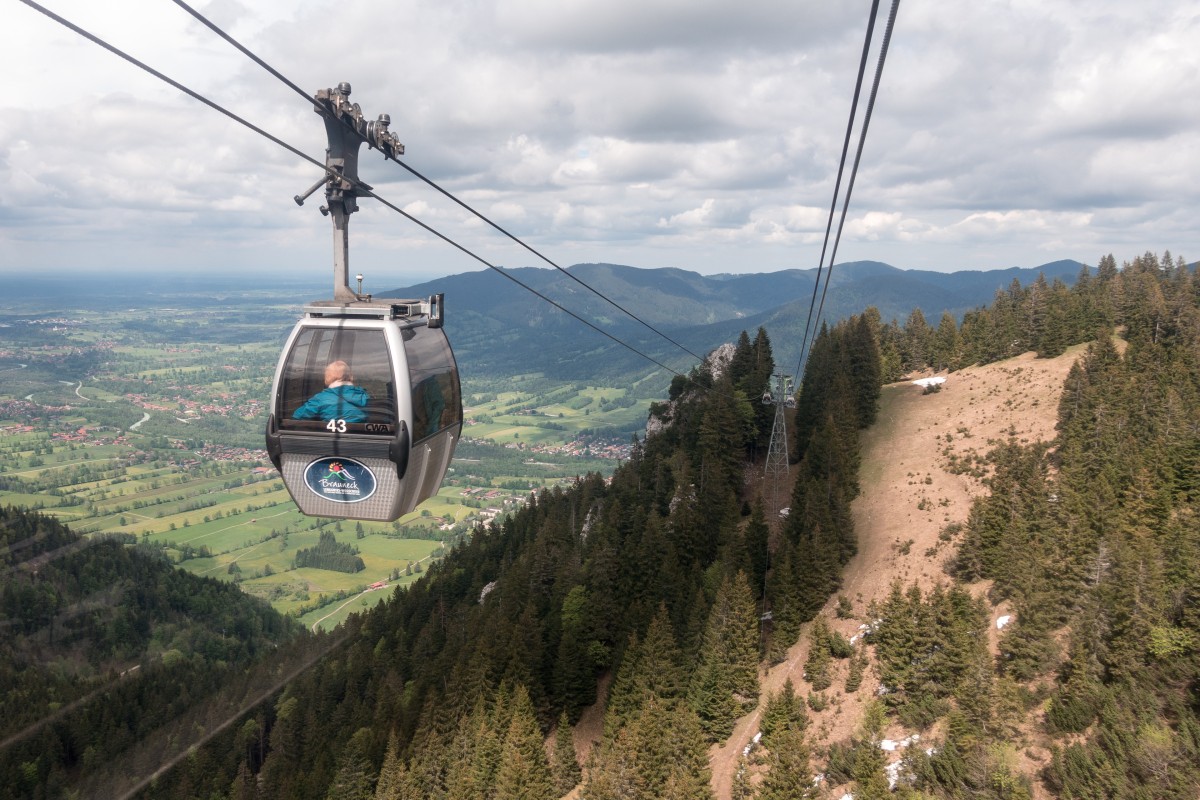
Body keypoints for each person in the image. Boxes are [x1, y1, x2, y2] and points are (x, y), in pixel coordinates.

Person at [292, 360, 370, 423]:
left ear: (327, 379)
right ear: (351, 376)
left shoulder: (321, 399)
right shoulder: (365, 397)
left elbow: (297, 417)